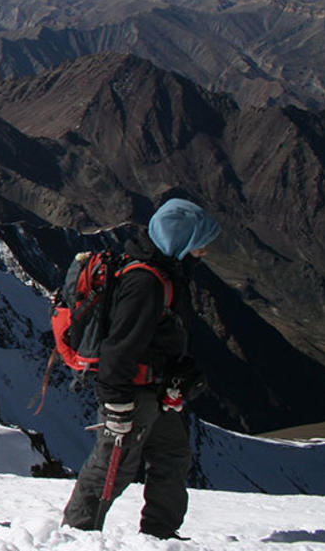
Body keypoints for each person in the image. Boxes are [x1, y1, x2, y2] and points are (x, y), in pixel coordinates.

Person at [62, 198, 220, 540]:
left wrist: (180, 372)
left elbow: (160, 337)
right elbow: (119, 348)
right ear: (181, 240)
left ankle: (159, 538)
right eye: (198, 244)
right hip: (131, 393)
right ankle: (76, 538)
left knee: (173, 456)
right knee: (112, 468)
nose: (204, 252)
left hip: (155, 389)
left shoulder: (166, 273)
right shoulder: (146, 283)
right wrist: (116, 403)